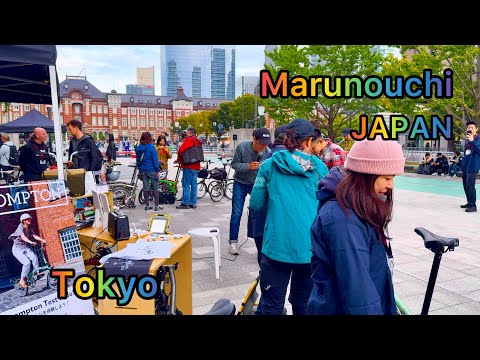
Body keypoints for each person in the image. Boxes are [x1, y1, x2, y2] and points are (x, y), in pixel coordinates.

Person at [308, 136, 405, 315]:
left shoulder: (359, 206)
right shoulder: (342, 218)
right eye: (386, 178)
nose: (391, 185)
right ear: (366, 176)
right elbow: (357, 290)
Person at [249, 118, 329, 315]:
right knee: (304, 304)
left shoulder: (268, 165)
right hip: (309, 249)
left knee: (271, 306)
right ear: (310, 141)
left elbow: (256, 204)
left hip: (276, 246)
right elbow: (326, 209)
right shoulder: (320, 169)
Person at [247, 124, 288, 267]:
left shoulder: (265, 159)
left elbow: (256, 202)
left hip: (261, 218)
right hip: (281, 222)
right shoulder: (304, 163)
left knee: (264, 261)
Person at [228, 128, 271, 255]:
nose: (264, 146)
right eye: (261, 143)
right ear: (254, 139)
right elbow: (234, 164)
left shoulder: (268, 152)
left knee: (259, 212)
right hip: (240, 183)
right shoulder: (242, 147)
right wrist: (248, 166)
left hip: (255, 185)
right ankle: (233, 242)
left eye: (266, 143)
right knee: (236, 212)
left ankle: (261, 244)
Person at [8, 213, 47, 289]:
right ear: (23, 221)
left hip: (24, 247)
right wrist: (31, 242)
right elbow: (23, 237)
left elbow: (35, 236)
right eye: (28, 219)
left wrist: (43, 240)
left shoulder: (29, 228)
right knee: (27, 263)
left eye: (30, 219)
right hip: (17, 249)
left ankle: (37, 273)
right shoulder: (20, 226)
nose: (30, 220)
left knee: (34, 257)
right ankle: (22, 280)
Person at [176, 127, 203, 209]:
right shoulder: (197, 140)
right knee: (194, 185)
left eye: (187, 132)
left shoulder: (189, 139)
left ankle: (185, 203)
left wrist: (179, 159)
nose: (186, 134)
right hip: (196, 166)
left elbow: (181, 150)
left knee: (186, 184)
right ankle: (193, 203)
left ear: (190, 133)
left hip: (188, 165)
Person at [135, 131, 162, 211]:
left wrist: (140, 169)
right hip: (152, 170)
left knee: (145, 187)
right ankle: (156, 206)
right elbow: (155, 160)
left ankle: (147, 205)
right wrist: (157, 170)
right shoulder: (151, 147)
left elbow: (138, 161)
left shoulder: (139, 147)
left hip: (143, 170)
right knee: (155, 188)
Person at [461, 121, 480, 212]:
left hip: (473, 165)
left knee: (470, 184)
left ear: (476, 129)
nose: (469, 129)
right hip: (466, 165)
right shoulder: (467, 139)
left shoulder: (478, 139)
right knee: (465, 184)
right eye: (468, 127)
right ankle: (469, 202)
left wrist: (473, 141)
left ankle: (473, 205)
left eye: (472, 127)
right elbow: (466, 153)